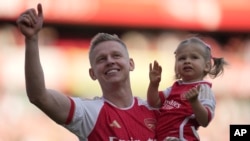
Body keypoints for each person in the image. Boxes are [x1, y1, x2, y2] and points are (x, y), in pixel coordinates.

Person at [16, 3, 158, 141]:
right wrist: (32, 39)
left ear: (131, 64)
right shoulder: (88, 113)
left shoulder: (155, 110)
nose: (110, 61)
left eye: (116, 55)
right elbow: (39, 96)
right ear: (92, 74)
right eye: (101, 59)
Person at [147, 37, 227, 141]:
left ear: (207, 66)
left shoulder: (203, 89)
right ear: (176, 66)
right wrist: (154, 84)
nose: (187, 61)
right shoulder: (175, 87)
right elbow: (154, 102)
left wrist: (194, 102)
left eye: (194, 57)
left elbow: (205, 121)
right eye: (182, 58)